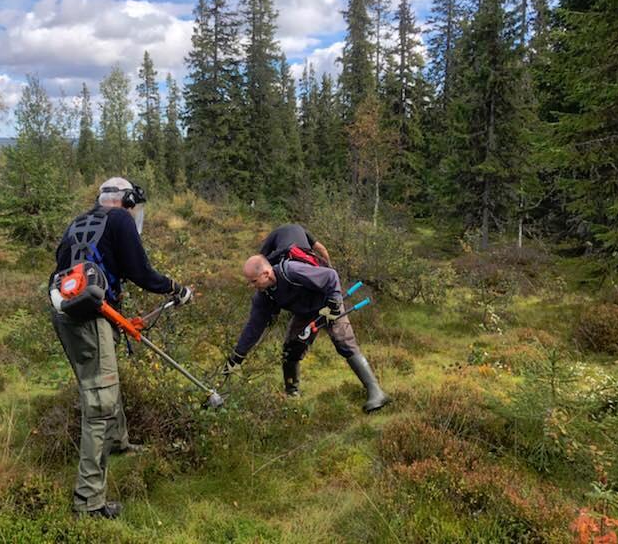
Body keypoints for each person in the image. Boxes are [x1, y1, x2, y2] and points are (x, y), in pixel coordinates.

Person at [50, 177, 192, 520]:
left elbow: (61, 267)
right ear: (126, 201)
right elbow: (140, 271)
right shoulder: (120, 220)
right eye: (134, 206)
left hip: (65, 311)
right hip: (90, 316)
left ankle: (118, 442)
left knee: (105, 383)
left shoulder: (79, 221)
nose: (134, 213)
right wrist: (176, 288)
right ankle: (88, 503)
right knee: (99, 403)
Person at [222, 254, 389, 413]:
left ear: (266, 274)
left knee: (344, 343)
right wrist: (238, 355)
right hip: (305, 313)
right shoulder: (264, 296)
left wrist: (335, 301)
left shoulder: (292, 271)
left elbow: (330, 276)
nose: (252, 286)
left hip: (328, 304)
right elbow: (254, 327)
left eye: (253, 281)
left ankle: (376, 392)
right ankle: (292, 394)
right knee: (291, 349)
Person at [259, 223, 331, 266]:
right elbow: (322, 249)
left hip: (285, 257)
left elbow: (261, 258)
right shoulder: (301, 229)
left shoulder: (273, 234)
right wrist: (330, 266)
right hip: (306, 257)